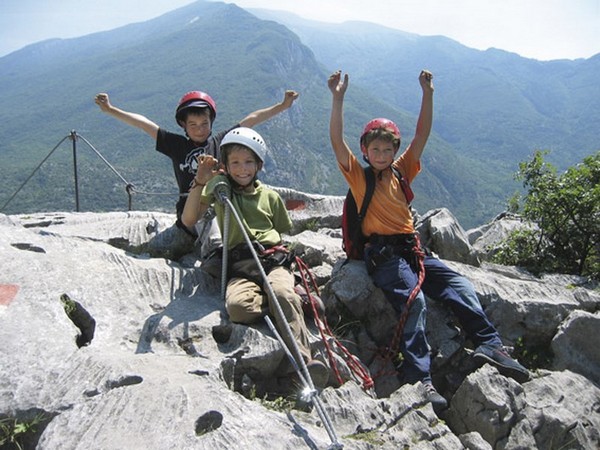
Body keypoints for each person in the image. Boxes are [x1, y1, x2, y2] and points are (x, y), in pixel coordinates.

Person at [327, 69, 530, 411]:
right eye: (374, 148)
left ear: (394, 150)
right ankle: (419, 378)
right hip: (385, 257)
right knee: (415, 302)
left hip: (413, 250)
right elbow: (336, 141)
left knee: (461, 286)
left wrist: (428, 93)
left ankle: (490, 344)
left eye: (387, 148)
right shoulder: (360, 178)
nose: (381, 153)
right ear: (364, 150)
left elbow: (422, 134)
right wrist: (337, 98)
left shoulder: (401, 170)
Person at [181, 127, 329, 390]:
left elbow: (281, 231)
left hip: (273, 260)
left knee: (281, 293)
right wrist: (201, 182)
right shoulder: (221, 187)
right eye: (235, 162)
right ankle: (292, 303)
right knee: (239, 309)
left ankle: (305, 360)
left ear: (259, 165)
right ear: (225, 165)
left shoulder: (270, 197)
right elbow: (189, 219)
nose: (242, 169)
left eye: (249, 162)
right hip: (240, 265)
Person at [94, 89, 299, 262]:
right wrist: (111, 110)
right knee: (216, 240)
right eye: (193, 125)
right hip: (194, 211)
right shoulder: (176, 145)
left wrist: (283, 105)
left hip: (223, 204)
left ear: (211, 122)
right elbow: (144, 124)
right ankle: (221, 259)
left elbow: (251, 120)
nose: (200, 130)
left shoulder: (220, 142)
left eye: (204, 123)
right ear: (183, 125)